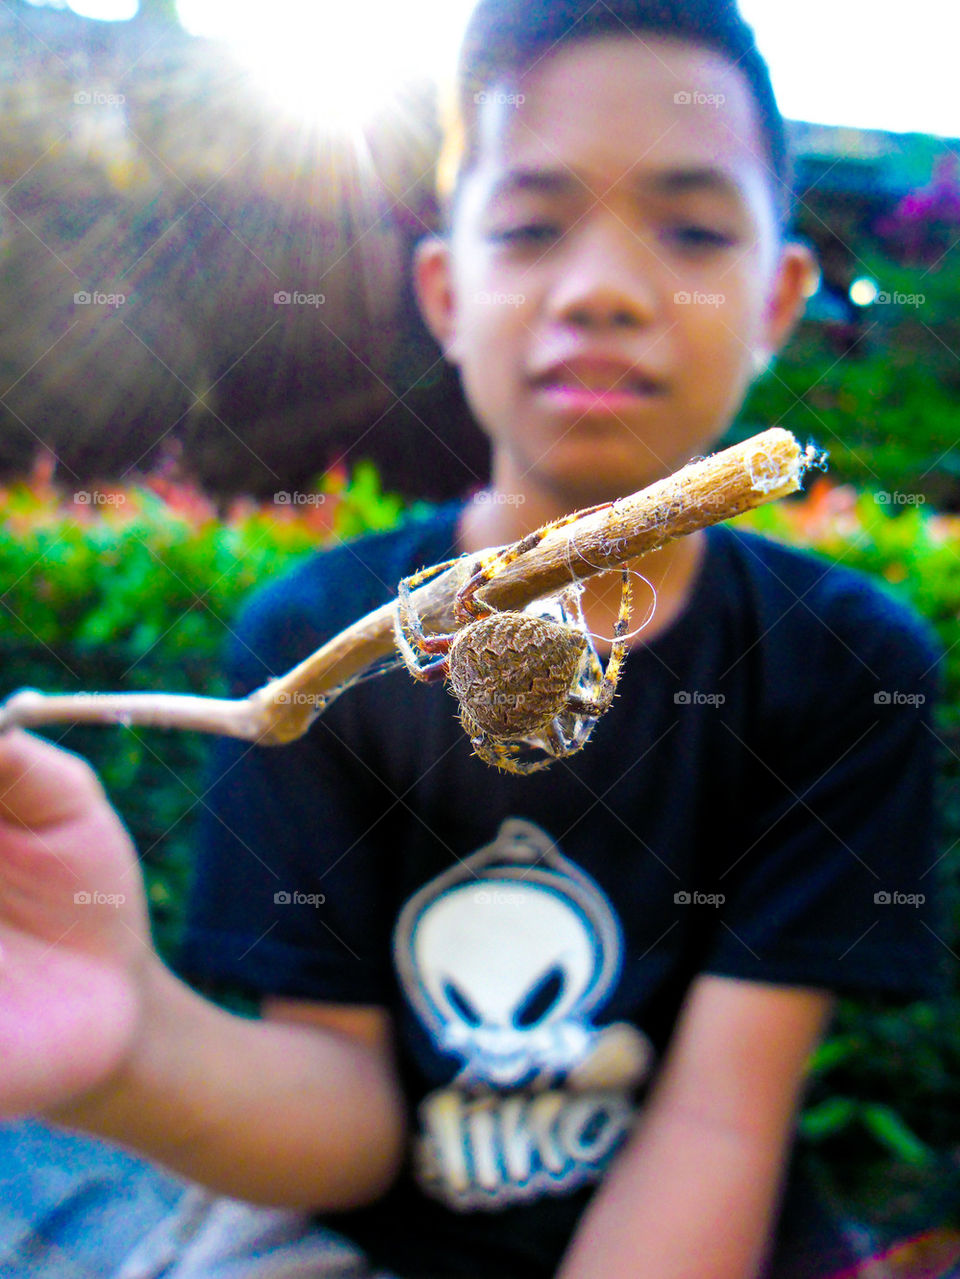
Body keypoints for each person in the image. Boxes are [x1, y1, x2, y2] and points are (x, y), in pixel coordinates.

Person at [0, 1, 946, 1277]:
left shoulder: (843, 661)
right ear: (444, 290)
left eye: (691, 229)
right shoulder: (307, 632)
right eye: (532, 226)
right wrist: (130, 1048)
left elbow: (725, 1116)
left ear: (781, 293)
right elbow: (340, 1116)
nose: (605, 290)